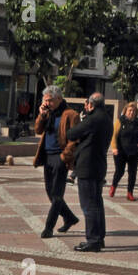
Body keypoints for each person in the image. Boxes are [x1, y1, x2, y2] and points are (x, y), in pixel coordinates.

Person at [67, 93, 113, 251]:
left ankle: (93, 240)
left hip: (88, 166)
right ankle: (99, 238)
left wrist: (84, 118)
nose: (85, 106)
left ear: (92, 105)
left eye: (87, 104)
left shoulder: (93, 119)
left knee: (89, 205)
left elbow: (72, 134)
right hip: (99, 165)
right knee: (97, 203)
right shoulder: (107, 118)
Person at [33, 86, 81, 239]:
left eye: (50, 100)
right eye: (45, 100)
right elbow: (38, 130)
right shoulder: (48, 113)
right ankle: (70, 218)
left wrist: (64, 157)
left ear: (59, 99)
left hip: (60, 157)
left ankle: (48, 227)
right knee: (50, 193)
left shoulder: (71, 115)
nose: (47, 103)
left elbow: (75, 139)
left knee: (57, 194)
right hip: (47, 156)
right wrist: (42, 115)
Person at [111, 101, 138, 200]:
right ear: (125, 111)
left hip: (133, 151)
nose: (131, 112)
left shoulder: (137, 122)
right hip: (121, 151)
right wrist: (114, 148)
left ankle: (130, 193)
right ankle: (113, 185)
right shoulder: (120, 121)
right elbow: (114, 136)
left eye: (133, 111)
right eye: (130, 110)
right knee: (120, 171)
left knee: (132, 173)